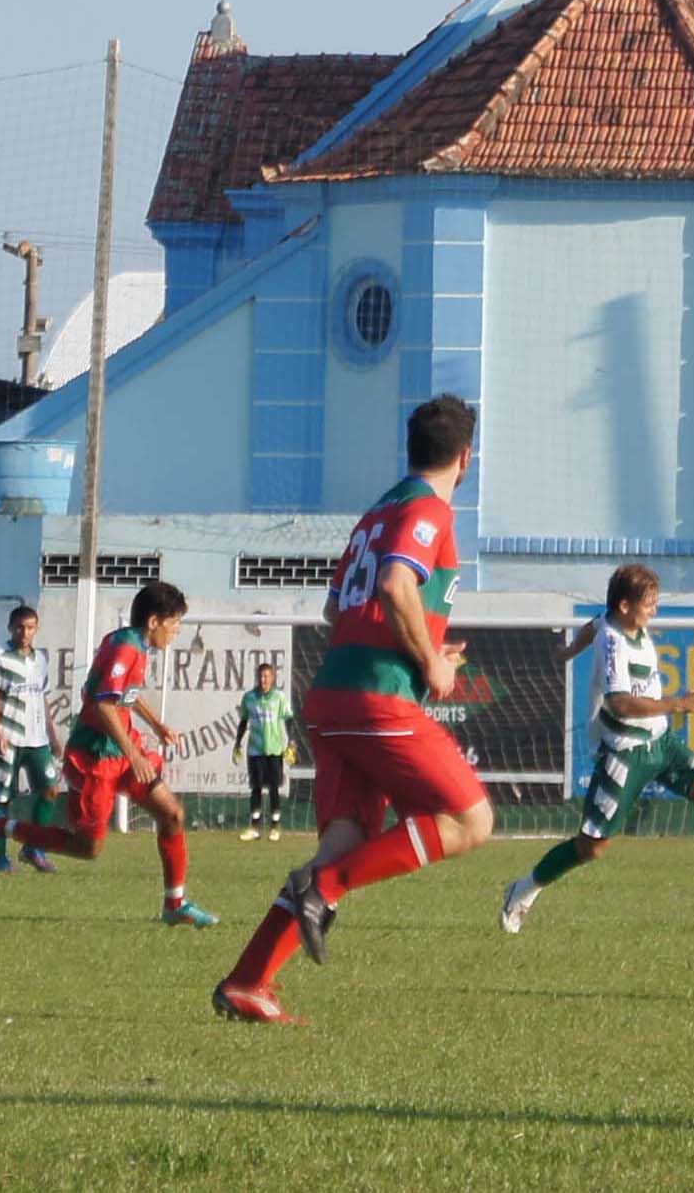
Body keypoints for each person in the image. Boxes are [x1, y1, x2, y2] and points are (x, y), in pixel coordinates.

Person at [214, 394, 493, 1026]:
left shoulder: (376, 511)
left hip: (332, 692)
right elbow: (396, 586)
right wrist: (431, 664)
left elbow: (337, 612)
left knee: (346, 841)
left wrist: (419, 642)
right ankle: (326, 892)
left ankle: (247, 982)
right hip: (377, 696)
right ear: (466, 458)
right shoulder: (429, 509)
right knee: (471, 821)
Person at [499, 563, 694, 934]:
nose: (654, 611)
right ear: (625, 606)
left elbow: (592, 624)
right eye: (649, 604)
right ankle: (524, 889)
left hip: (661, 742)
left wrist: (568, 653)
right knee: (591, 847)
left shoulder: (617, 623)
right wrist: (680, 704)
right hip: (625, 753)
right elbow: (621, 705)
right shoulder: (614, 643)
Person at [0, 581, 217, 927]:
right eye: (175, 622)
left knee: (172, 814)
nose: (178, 630)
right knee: (88, 848)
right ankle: (1, 826)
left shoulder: (133, 643)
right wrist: (135, 753)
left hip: (123, 752)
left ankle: (176, 904)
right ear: (154, 621)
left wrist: (156, 724)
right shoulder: (125, 648)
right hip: (97, 756)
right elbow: (101, 705)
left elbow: (120, 693)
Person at [0, 603, 61, 875]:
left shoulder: (41, 659)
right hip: (8, 738)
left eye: (30, 627)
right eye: (20, 627)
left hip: (37, 739)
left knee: (50, 790)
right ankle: (1, 860)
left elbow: (43, 698)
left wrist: (53, 736)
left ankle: (33, 849)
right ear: (10, 628)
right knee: (2, 800)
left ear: (37, 629)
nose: (25, 632)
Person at [235, 660, 295, 842]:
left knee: (274, 788)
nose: (264, 680)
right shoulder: (249, 698)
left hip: (274, 750)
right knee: (256, 788)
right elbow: (244, 721)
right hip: (255, 750)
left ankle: (275, 826)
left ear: (273, 678)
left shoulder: (279, 697)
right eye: (261, 676)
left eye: (267, 676)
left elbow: (288, 720)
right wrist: (237, 743)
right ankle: (255, 827)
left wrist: (292, 743)